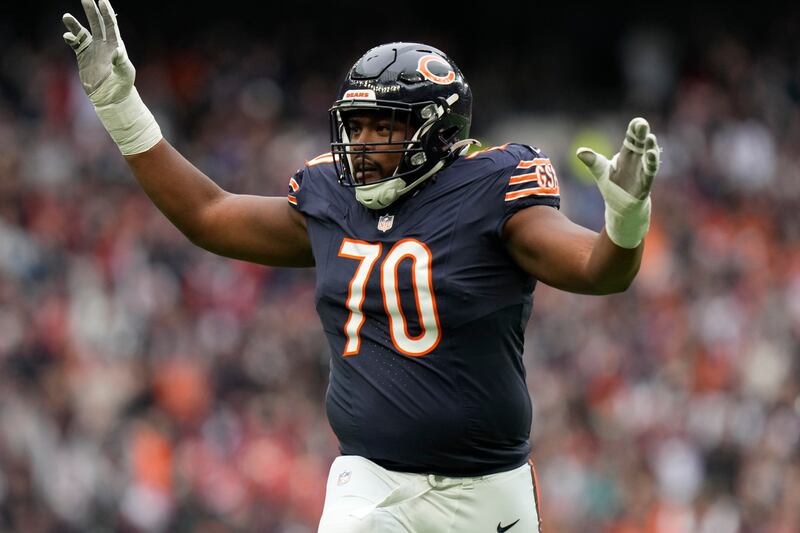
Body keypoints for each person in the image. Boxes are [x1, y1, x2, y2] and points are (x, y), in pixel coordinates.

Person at [62, 1, 661, 531]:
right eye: (359, 124)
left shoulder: (493, 190)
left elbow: (598, 271)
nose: (363, 142)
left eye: (385, 126)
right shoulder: (330, 198)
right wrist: (121, 106)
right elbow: (208, 214)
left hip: (489, 490)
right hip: (370, 483)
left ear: (438, 131)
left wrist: (626, 219)